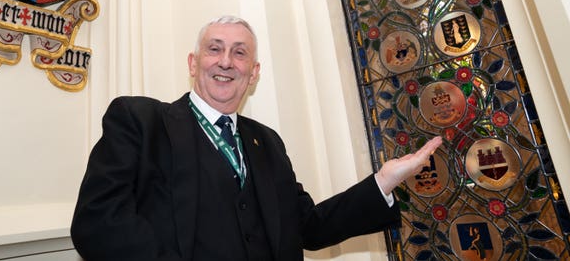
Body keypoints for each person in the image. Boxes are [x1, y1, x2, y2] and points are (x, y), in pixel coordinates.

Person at [71, 16, 442, 261]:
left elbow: (308, 227)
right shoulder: (139, 120)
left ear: (254, 73)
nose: (226, 61)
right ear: (192, 62)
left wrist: (383, 181)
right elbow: (98, 224)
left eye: (240, 53)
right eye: (214, 49)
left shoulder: (268, 142)